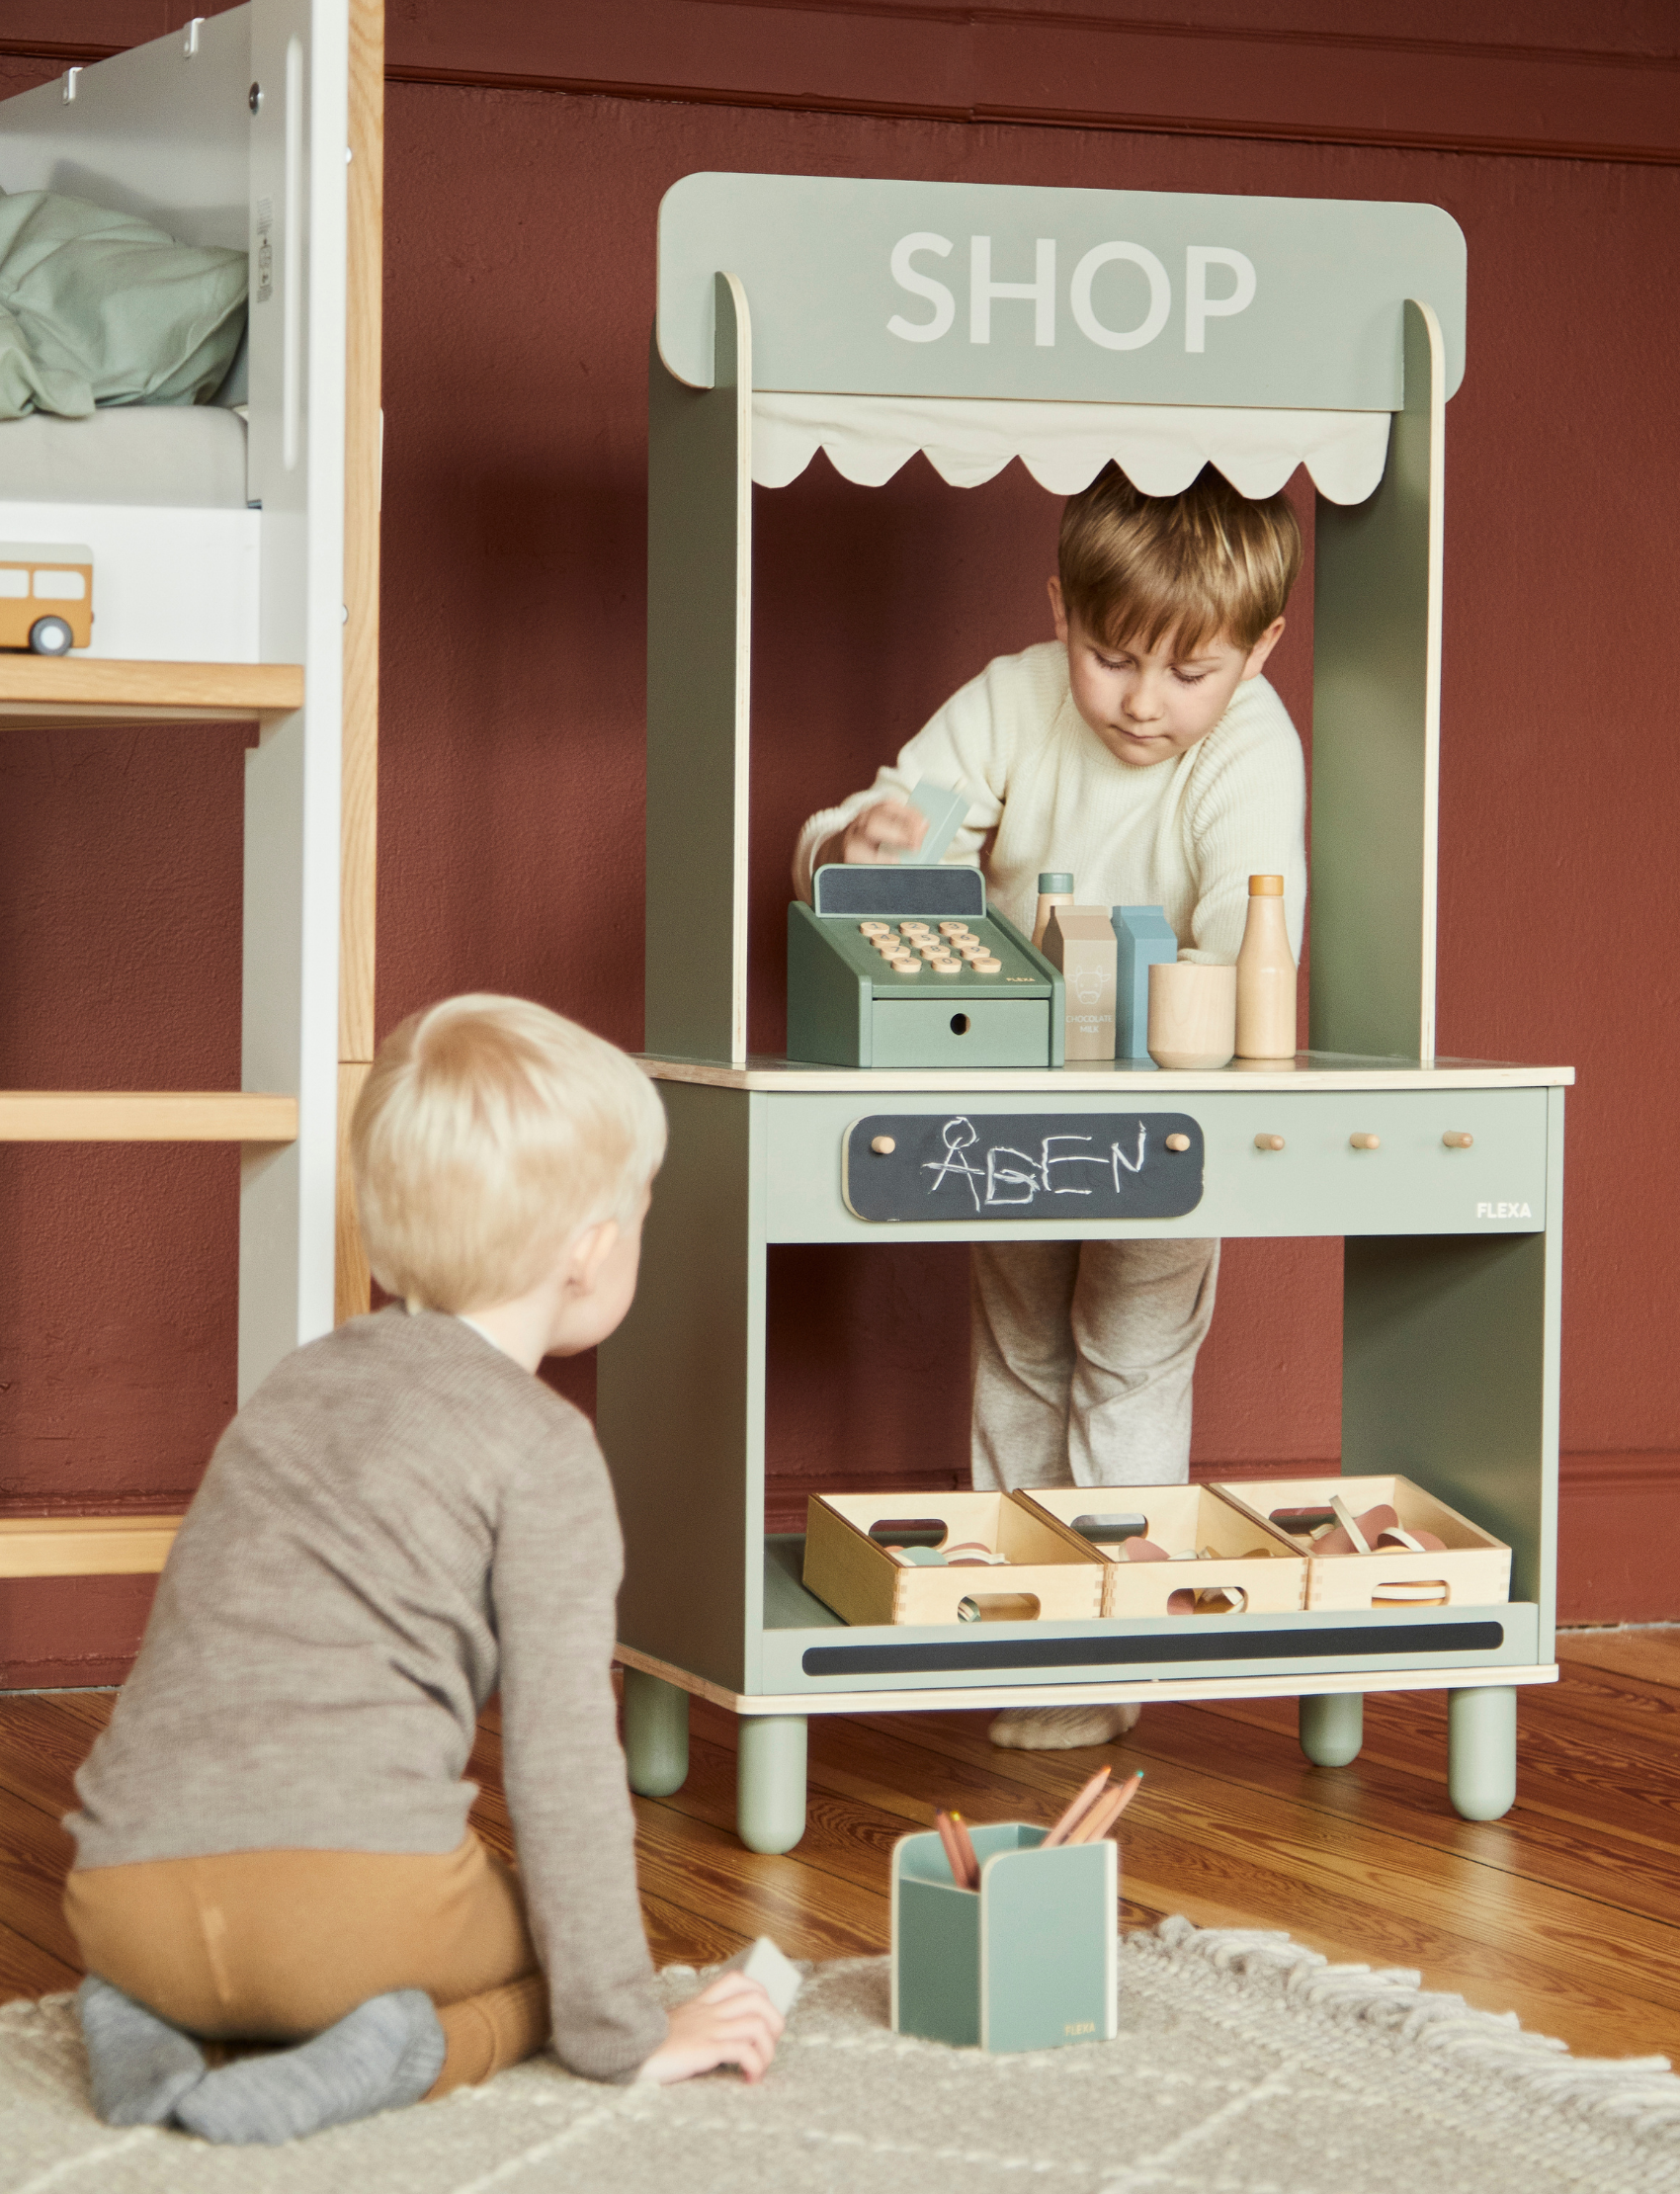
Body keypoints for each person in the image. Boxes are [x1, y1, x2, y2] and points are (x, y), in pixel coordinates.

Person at [62, 996, 783, 2144]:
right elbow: (560, 1765)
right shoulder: (543, 1448)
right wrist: (630, 2026)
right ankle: (408, 2048)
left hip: (119, 1899)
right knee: (559, 1943)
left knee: (234, 1935)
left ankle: (139, 2015)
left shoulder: (294, 1385)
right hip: (341, 1925)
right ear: (590, 1256)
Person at [794, 464, 1305, 1752]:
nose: (1142, 703)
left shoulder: (1249, 744)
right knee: (1022, 1355)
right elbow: (887, 827)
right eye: (1112, 655)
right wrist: (870, 844)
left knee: (1129, 1359)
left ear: (1259, 652)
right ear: (1060, 615)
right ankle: (1022, 1611)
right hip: (1007, 1101)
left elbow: (1251, 935)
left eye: (1189, 671)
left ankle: (1104, 1640)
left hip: (1165, 1119)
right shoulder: (1017, 699)